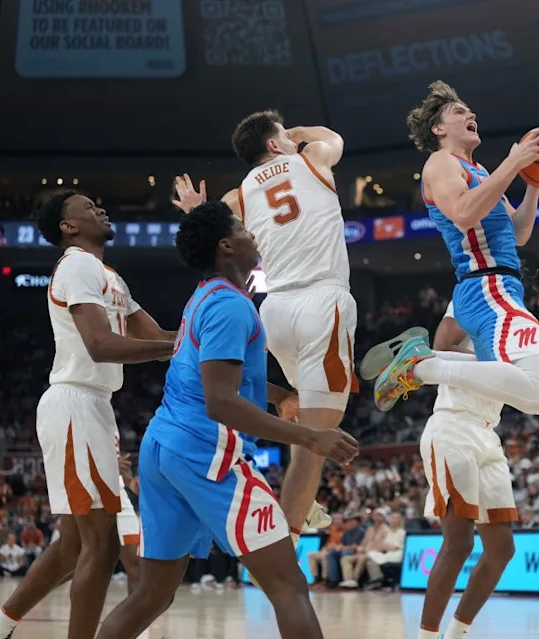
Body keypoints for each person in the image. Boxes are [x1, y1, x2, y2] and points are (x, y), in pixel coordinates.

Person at [93, 200, 358, 639]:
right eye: (243, 229)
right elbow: (220, 402)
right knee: (288, 585)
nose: (253, 234)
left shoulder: (205, 298)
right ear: (226, 246)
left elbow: (210, 375)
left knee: (153, 593)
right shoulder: (230, 308)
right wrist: (311, 437)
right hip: (208, 453)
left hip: (164, 449)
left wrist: (278, 396)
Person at [0, 191, 176, 639]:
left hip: (93, 407)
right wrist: (175, 346)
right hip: (75, 402)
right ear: (67, 227)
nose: (100, 207)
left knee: (74, 544)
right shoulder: (76, 264)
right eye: (86, 207)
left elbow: (157, 338)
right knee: (103, 541)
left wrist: (217, 327)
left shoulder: (109, 275)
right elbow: (100, 344)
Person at [174, 107, 357, 535]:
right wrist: (299, 132)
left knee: (304, 413)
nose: (295, 141)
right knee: (315, 438)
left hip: (274, 313)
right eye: (284, 138)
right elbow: (334, 137)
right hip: (322, 302)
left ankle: (305, 501)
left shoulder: (239, 195)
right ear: (275, 144)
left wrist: (196, 210)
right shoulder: (311, 159)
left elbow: (210, 226)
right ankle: (284, 549)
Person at [366, 81, 539, 418]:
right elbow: (464, 212)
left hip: (498, 286)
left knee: (515, 387)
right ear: (438, 128)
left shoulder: (480, 172)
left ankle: (427, 357)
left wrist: (533, 185)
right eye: (459, 111)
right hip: (487, 286)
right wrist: (513, 164)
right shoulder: (441, 163)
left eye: (469, 110)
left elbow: (518, 234)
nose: (471, 113)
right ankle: (419, 366)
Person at [414, 310, 539, 639]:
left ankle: (455, 634)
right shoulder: (466, 304)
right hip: (453, 424)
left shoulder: (516, 323)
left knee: (502, 549)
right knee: (459, 544)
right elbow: (438, 348)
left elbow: (532, 384)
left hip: (487, 434)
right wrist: (496, 363)